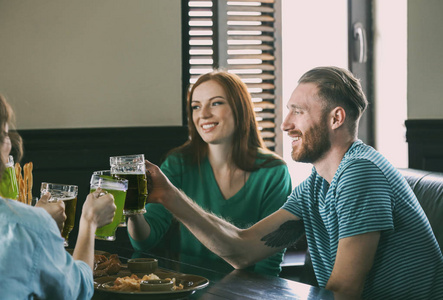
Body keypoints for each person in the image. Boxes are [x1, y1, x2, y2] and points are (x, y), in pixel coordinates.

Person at [142, 66, 443, 299]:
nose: (285, 124)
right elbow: (242, 250)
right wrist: (170, 196)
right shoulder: (316, 185)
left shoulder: (360, 172)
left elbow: (343, 293)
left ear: (336, 118)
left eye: (297, 112)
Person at [127, 70, 292, 276]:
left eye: (216, 103)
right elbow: (145, 241)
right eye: (196, 106)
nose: (203, 114)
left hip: (246, 293)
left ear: (240, 108)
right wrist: (133, 210)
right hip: (189, 289)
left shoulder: (273, 171)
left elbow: (269, 263)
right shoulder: (178, 164)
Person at [0, 94, 117, 299]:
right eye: (6, 135)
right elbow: (77, 290)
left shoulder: (26, 223)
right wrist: (90, 222)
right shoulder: (26, 225)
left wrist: (35, 220)